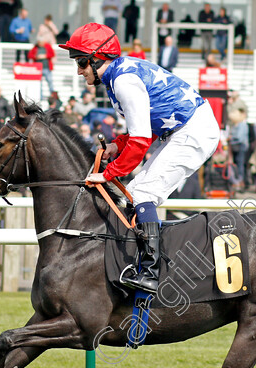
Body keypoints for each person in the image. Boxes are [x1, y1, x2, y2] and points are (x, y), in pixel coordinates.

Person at [61, 23, 219, 294]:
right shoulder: (117, 75)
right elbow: (141, 127)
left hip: (192, 130)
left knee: (144, 193)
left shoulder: (123, 81)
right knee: (133, 193)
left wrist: (108, 173)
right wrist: (115, 145)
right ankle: (139, 262)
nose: (79, 70)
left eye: (82, 62)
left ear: (99, 58)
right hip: (176, 130)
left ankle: (152, 272)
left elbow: (141, 140)